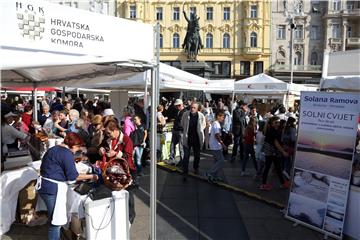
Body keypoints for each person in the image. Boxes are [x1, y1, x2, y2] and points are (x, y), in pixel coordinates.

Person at [36, 132, 98, 240]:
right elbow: (73, 176)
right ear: (73, 146)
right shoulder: (67, 154)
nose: (77, 150)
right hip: (52, 188)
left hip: (44, 186)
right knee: (55, 222)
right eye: (78, 147)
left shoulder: (54, 149)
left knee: (53, 218)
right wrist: (91, 176)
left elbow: (46, 167)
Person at [260, 116, 290, 191]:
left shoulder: (272, 129)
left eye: (278, 122)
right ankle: (264, 184)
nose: (278, 124)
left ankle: (283, 183)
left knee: (275, 167)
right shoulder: (272, 131)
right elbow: (276, 143)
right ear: (271, 123)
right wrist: (283, 152)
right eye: (276, 122)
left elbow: (277, 142)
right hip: (272, 151)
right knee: (270, 167)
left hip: (272, 151)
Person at [181, 102, 206, 179]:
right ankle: (185, 172)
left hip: (197, 138)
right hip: (187, 138)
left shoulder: (201, 116)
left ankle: (196, 168)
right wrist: (185, 130)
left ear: (197, 108)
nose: (192, 109)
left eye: (194, 107)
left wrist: (200, 130)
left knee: (197, 155)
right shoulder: (185, 114)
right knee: (186, 156)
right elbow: (182, 123)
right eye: (191, 107)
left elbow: (204, 125)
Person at [205, 109, 227, 183]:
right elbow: (217, 135)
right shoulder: (216, 124)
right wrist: (223, 144)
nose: (223, 118)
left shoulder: (216, 123)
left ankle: (215, 176)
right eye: (222, 117)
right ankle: (210, 173)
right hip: (215, 146)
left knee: (216, 161)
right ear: (218, 116)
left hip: (214, 145)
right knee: (221, 160)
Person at [169, 99, 186, 165]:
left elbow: (183, 123)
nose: (177, 107)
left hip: (180, 131)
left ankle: (182, 161)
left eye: (177, 106)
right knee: (172, 145)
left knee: (181, 147)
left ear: (180, 105)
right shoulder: (179, 111)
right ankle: (172, 159)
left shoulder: (184, 112)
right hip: (176, 130)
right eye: (176, 106)